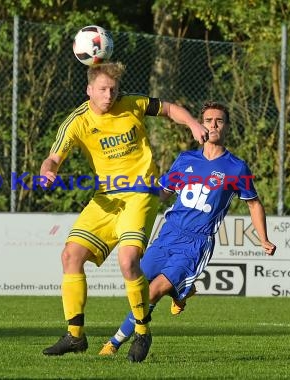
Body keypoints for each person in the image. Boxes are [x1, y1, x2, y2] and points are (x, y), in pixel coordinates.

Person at [40, 61, 209, 362]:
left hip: (140, 194)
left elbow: (169, 109)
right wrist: (48, 171)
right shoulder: (76, 121)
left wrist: (194, 124)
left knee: (128, 259)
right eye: (103, 89)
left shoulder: (132, 104)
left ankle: (142, 331)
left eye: (113, 89)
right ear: (89, 90)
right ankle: (75, 336)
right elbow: (54, 157)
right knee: (70, 255)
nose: (109, 95)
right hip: (105, 198)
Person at [99, 101, 277, 357]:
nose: (213, 125)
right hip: (167, 234)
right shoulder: (185, 160)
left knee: (151, 293)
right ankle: (180, 292)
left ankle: (113, 343)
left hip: (195, 243)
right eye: (208, 120)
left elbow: (253, 203)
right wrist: (134, 196)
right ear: (201, 125)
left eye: (219, 120)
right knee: (137, 288)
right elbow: (162, 193)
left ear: (226, 126)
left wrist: (263, 238)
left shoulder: (236, 168)